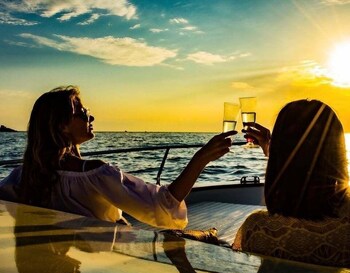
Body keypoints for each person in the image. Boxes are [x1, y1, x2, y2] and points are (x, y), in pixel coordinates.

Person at [0, 85, 236, 230]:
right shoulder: (96, 175)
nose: (90, 118)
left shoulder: (21, 177)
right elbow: (162, 207)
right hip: (103, 260)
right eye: (82, 113)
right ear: (62, 125)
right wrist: (200, 159)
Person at [233, 99, 350, 267]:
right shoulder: (344, 228)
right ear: (338, 154)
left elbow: (296, 171)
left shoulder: (259, 229)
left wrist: (275, 154)